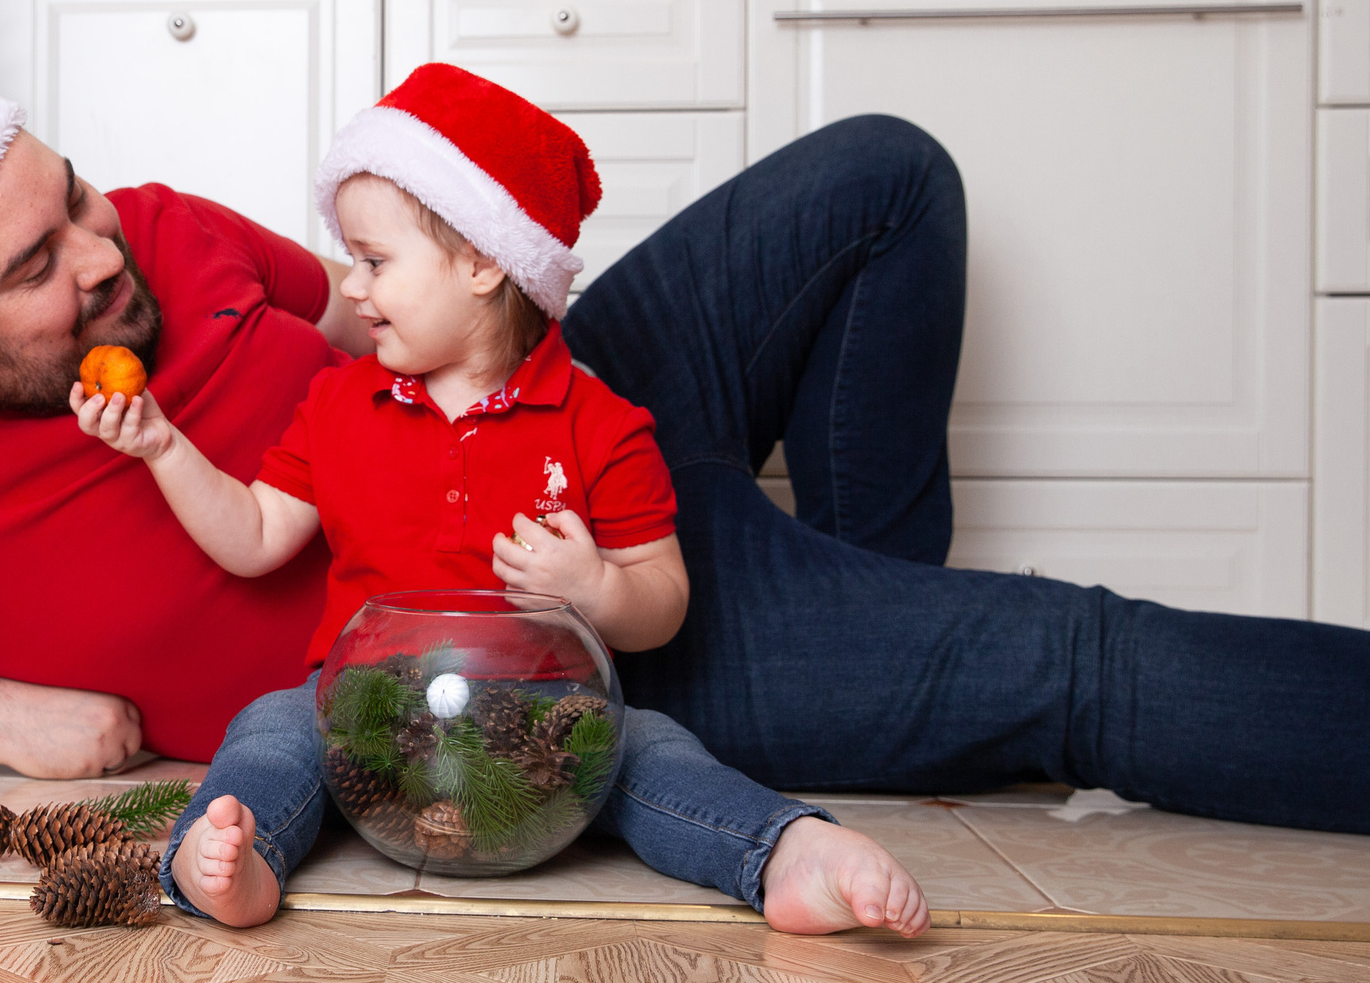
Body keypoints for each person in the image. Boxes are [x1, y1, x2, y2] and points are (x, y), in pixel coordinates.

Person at [0, 38, 1370, 862]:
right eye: (38, 267)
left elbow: (361, 314)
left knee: (881, 175)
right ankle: (890, 665)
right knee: (1083, 664)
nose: (105, 255)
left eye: (74, 200)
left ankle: (885, 629)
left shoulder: (156, 219)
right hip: (555, 628)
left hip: (564, 424)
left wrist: (503, 344)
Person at [71, 64, 931, 935]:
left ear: (483, 262)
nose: (353, 286)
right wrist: (161, 445)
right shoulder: (337, 404)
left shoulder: (600, 421)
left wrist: (593, 585)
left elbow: (663, 602)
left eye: (374, 260)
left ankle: (782, 852)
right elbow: (253, 536)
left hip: (542, 711)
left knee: (651, 745)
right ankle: (229, 859)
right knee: (272, 727)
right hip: (364, 702)